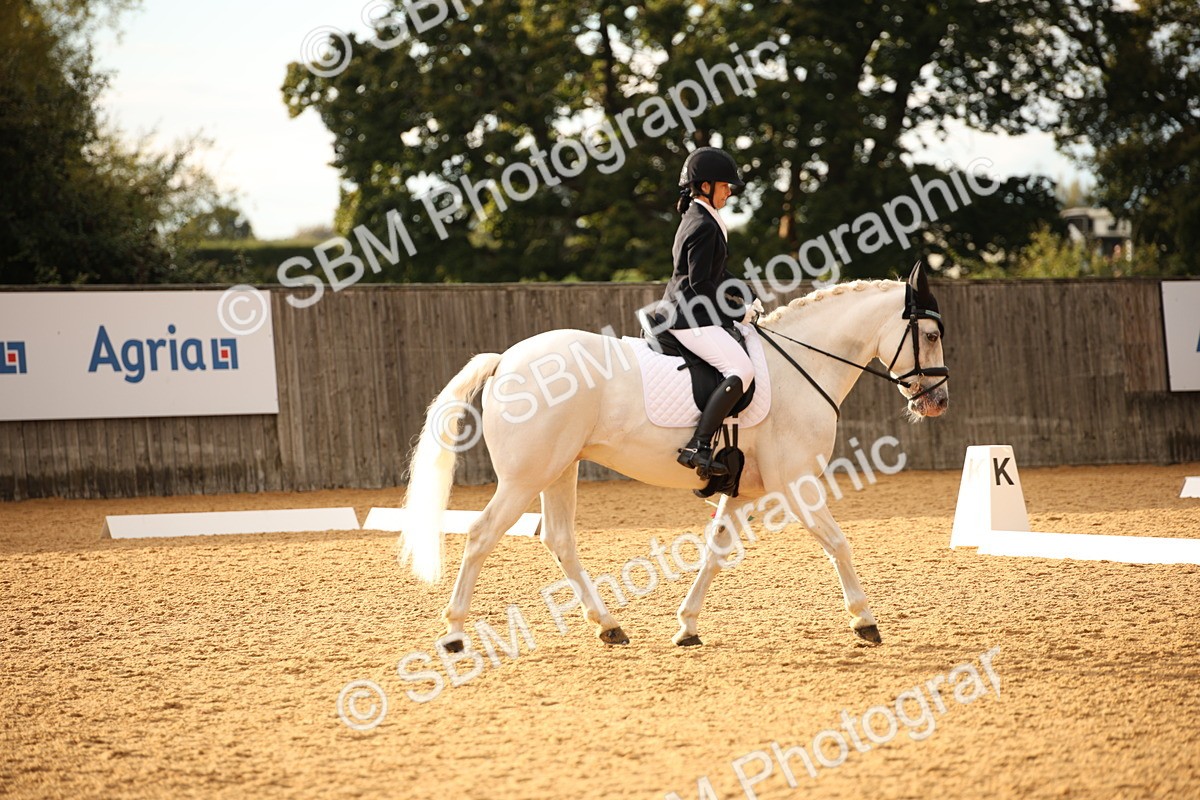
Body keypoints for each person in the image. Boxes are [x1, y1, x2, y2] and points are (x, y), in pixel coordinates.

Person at [657, 147, 759, 478]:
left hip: (691, 308)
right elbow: (700, 284)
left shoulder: (703, 218)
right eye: (724, 185)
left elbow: (716, 273)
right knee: (741, 369)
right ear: (704, 187)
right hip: (688, 315)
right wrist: (735, 314)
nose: (730, 190)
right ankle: (698, 445)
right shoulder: (702, 224)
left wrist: (746, 294)